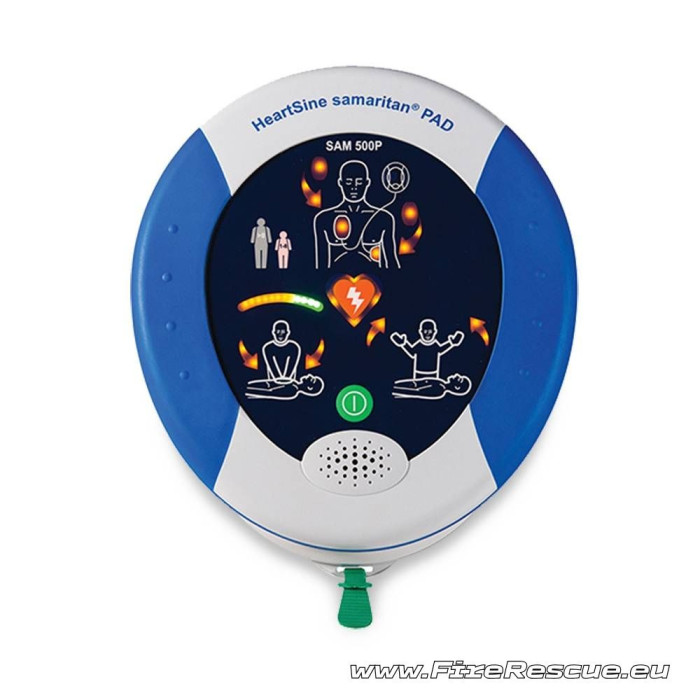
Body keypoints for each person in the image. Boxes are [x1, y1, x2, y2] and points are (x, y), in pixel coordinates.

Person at [313, 160, 399, 269]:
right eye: (349, 182)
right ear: (341, 183)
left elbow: (391, 263)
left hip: (374, 278)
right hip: (336, 278)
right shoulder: (324, 219)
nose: (354, 187)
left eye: (359, 182)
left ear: (367, 183)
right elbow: (321, 265)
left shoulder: (383, 218)